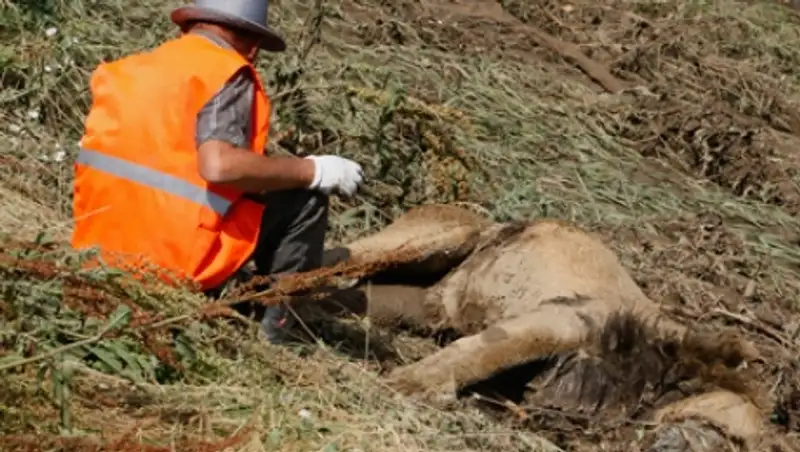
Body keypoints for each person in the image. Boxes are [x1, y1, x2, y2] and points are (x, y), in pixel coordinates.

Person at [70, 0, 364, 344]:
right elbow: (219, 166)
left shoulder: (129, 69)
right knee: (306, 197)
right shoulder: (226, 71)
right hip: (173, 262)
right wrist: (312, 170)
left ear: (191, 25)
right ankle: (277, 337)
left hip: (98, 255)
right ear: (251, 42)